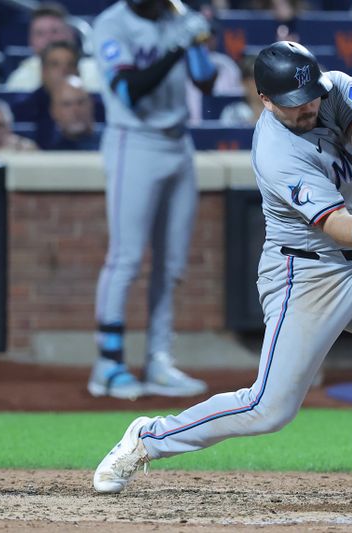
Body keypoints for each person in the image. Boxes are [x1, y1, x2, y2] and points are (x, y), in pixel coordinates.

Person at [93, 40, 352, 501]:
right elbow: (335, 224)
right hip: (306, 275)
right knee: (269, 408)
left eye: (311, 97)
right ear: (265, 100)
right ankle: (147, 438)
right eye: (294, 104)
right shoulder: (276, 151)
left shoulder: (334, 87)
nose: (307, 108)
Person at [87, 0, 219, 399]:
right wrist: (177, 46)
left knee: (171, 262)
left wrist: (195, 40)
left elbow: (207, 82)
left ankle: (159, 358)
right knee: (126, 257)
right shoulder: (112, 24)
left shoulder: (173, 19)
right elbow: (128, 90)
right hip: (134, 141)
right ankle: (107, 364)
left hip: (179, 144)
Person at [4, 3, 102, 92]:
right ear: (31, 41)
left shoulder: (95, 72)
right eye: (40, 34)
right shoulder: (20, 78)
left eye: (54, 31)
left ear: (70, 35)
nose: (48, 39)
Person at [11, 40, 80, 150]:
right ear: (43, 71)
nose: (64, 71)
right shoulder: (21, 110)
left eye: (70, 64)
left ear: (78, 71)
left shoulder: (95, 109)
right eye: (55, 64)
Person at [47, 76, 101, 151]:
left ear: (91, 105)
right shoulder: (45, 152)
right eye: (67, 104)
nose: (75, 110)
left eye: (80, 102)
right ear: (54, 111)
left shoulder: (113, 142)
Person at [219, 56, 264, 126]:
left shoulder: (280, 112)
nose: (262, 82)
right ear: (244, 83)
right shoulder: (233, 112)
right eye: (256, 77)